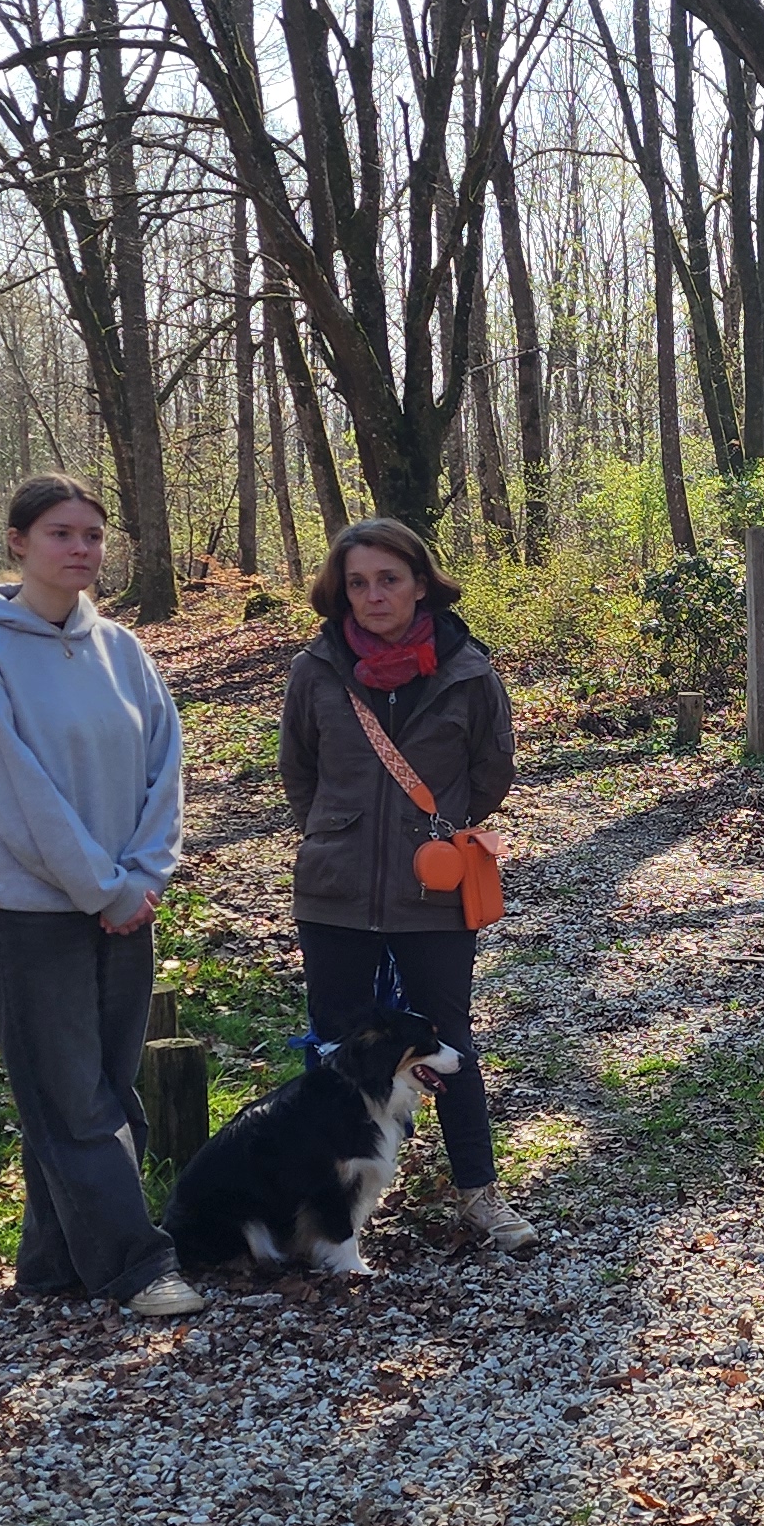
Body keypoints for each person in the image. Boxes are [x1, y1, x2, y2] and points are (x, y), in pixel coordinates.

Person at [0, 477, 203, 1317]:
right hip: (33, 914)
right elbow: (17, 794)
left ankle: (52, 1263)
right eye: (62, 534)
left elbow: (167, 763)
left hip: (127, 903)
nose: (82, 549)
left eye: (94, 534)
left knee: (103, 1089)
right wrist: (100, 887)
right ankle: (137, 1266)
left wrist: (143, 875)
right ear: (19, 542)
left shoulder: (123, 649)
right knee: (70, 1096)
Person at [280, 516, 528, 1247]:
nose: (373, 595)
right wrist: (338, 834)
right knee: (335, 1047)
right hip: (335, 892)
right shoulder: (316, 669)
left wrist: (435, 835)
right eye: (357, 583)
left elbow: (492, 772)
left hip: (435, 892)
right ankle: (330, 1206)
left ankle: (478, 1194)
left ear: (421, 583)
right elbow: (299, 771)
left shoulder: (469, 673)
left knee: (450, 1043)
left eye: (388, 579)